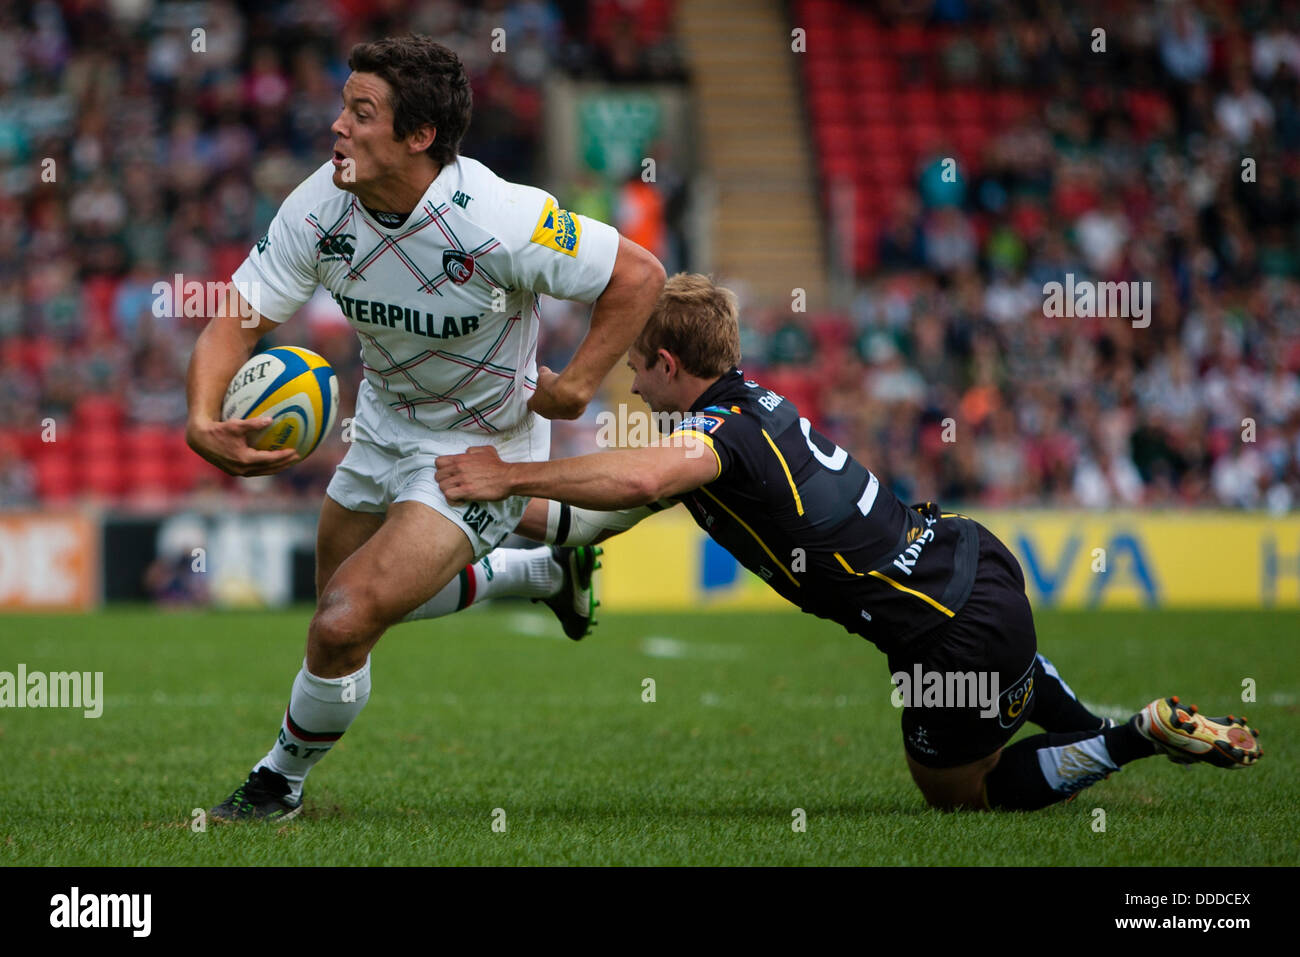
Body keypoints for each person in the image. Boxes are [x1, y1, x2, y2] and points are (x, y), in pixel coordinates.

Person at [435, 274, 1263, 811]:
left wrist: (505, 476)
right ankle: (1101, 729)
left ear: (664, 359)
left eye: (636, 369)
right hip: (971, 562)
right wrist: (469, 507)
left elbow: (637, 482)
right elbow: (603, 513)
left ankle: (1134, 734)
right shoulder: (743, 410)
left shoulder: (711, 436)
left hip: (947, 629)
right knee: (995, 677)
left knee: (956, 793)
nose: (629, 382)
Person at [186, 35, 665, 821]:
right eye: (344, 104)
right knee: (338, 618)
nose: (337, 125)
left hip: (484, 446)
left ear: (418, 137)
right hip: (381, 428)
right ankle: (541, 571)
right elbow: (237, 319)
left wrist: (578, 385)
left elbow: (637, 275)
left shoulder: (503, 218)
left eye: (360, 111)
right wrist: (202, 417)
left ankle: (277, 783)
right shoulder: (321, 203)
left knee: (344, 620)